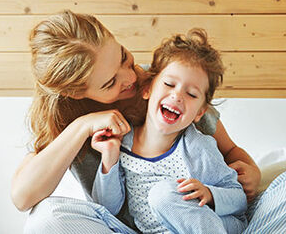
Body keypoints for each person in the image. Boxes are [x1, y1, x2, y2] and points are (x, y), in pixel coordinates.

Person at [12, 10, 286, 234]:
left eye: (124, 57)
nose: (131, 77)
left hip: (206, 222)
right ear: (79, 93)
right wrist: (82, 127)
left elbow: (232, 158)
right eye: (110, 83)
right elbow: (24, 198)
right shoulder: (71, 122)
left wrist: (248, 171)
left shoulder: (170, 88)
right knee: (47, 220)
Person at [91, 29, 247, 233]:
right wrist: (109, 157)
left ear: (199, 112)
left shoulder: (197, 147)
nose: (177, 96)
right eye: (169, 84)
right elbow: (107, 208)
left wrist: (209, 193)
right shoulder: (123, 144)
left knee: (163, 194)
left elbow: (239, 198)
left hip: (214, 224)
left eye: (191, 94)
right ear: (147, 89)